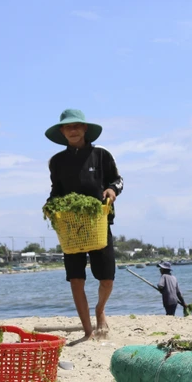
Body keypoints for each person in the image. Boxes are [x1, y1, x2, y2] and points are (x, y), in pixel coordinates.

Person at [45, 108, 123, 342]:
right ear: (62, 131)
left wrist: (111, 190)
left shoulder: (101, 155)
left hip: (98, 223)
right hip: (71, 229)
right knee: (76, 279)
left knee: (107, 278)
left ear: (85, 128)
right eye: (68, 127)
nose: (73, 130)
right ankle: (88, 330)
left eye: (77, 126)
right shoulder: (57, 162)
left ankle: (100, 309)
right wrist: (50, 206)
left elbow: (117, 180)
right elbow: (55, 192)